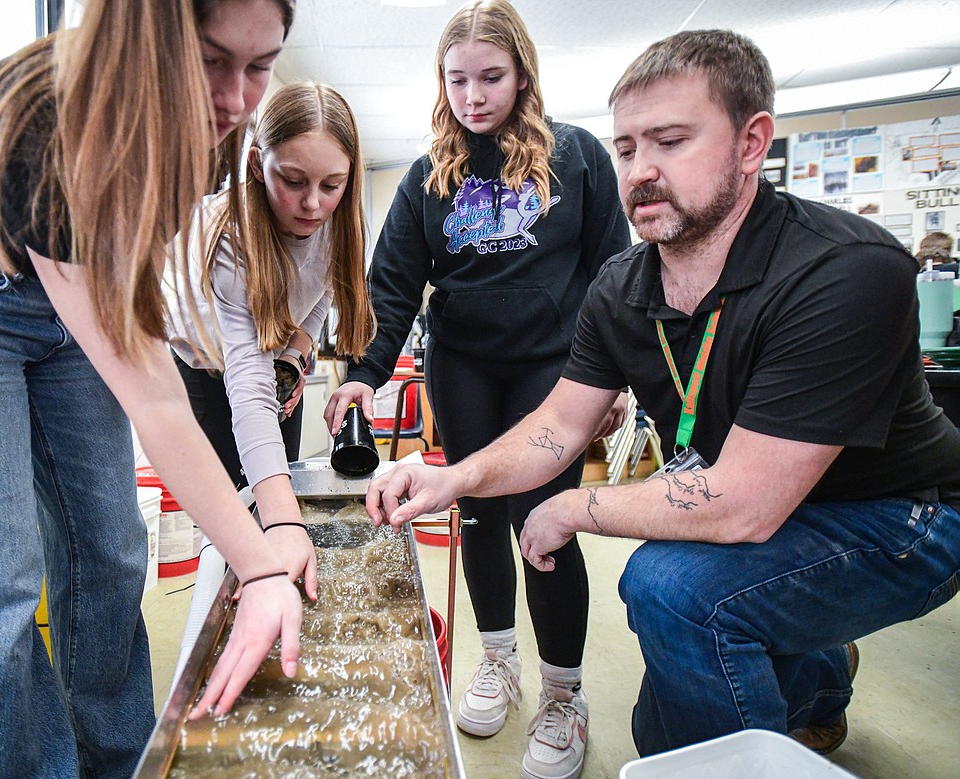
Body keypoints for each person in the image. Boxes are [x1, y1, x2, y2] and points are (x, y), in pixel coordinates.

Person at [366, 28, 960, 762]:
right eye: (625, 148)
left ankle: (777, 699)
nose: (641, 170)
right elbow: (555, 426)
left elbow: (744, 501)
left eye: (672, 140)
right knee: (657, 728)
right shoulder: (624, 286)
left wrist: (569, 504)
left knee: (669, 587)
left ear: (751, 144)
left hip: (902, 518)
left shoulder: (845, 271)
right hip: (781, 509)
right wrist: (451, 476)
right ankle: (816, 674)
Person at [0, 1, 300, 776]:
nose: (235, 99)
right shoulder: (53, 123)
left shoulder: (204, 128)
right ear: (148, 35)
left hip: (58, 293)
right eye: (210, 59)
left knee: (110, 551)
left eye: (259, 66)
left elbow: (122, 277)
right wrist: (259, 564)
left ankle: (118, 761)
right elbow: (156, 400)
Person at [324, 2, 629, 777]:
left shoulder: (581, 157)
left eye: (491, 77)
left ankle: (564, 695)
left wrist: (616, 375)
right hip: (462, 365)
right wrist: (363, 376)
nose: (473, 95)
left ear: (522, 72)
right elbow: (392, 289)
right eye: (456, 80)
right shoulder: (430, 178)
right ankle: (499, 659)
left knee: (545, 522)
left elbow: (613, 272)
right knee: (479, 517)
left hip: (553, 367)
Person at [169, 81, 375, 602]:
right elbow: (246, 388)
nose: (312, 203)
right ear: (260, 164)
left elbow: (324, 289)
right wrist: (284, 523)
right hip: (203, 360)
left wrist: (297, 350)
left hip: (271, 348)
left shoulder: (337, 219)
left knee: (278, 480)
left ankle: (280, 577)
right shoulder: (230, 239)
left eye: (332, 185)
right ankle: (237, 595)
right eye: (293, 180)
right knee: (240, 507)